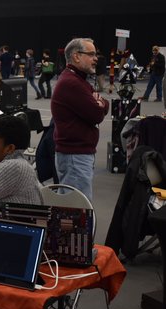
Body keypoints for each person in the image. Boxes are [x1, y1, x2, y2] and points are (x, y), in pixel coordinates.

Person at [51, 38, 109, 201]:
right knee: (77, 210)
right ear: (76, 56)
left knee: (74, 207)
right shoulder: (72, 83)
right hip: (75, 157)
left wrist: (100, 103)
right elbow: (97, 114)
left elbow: (104, 104)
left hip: (75, 155)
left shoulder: (77, 80)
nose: (96, 58)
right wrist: (99, 104)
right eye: (91, 54)